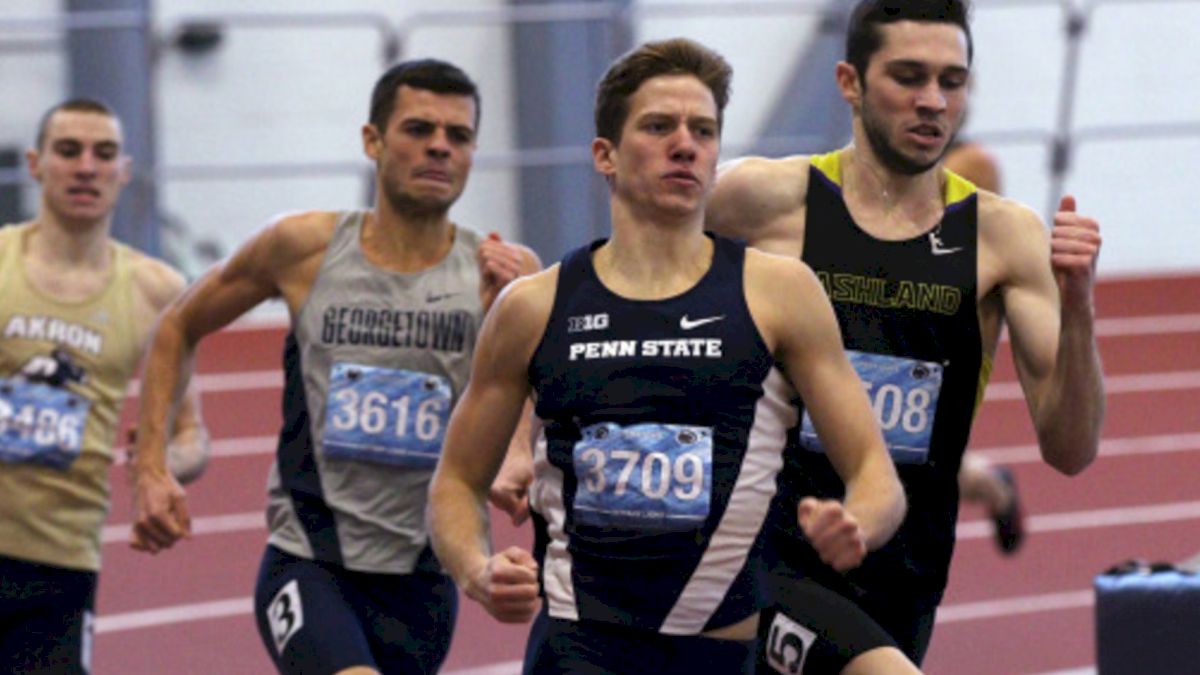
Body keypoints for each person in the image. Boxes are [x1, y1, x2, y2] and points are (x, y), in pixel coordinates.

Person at [428, 38, 917, 675]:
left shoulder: (780, 293)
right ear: (604, 154)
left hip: (717, 652)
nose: (684, 144)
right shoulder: (534, 306)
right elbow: (457, 481)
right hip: (579, 650)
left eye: (703, 130)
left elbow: (877, 475)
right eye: (659, 126)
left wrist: (856, 522)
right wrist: (477, 570)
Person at [707, 0, 1105, 669]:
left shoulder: (1004, 238)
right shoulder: (765, 200)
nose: (932, 101)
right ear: (850, 82)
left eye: (951, 81)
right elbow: (635, 267)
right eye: (908, 77)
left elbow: (1071, 448)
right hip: (769, 552)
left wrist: (1080, 305)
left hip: (907, 568)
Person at [127, 60, 539, 675]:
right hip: (310, 560)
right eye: (419, 128)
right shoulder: (303, 248)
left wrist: (515, 455)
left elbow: (534, 399)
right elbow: (178, 325)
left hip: (424, 576)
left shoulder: (506, 273)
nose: (438, 147)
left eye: (458, 136)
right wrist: (152, 466)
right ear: (372, 140)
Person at [0, 98, 209, 674]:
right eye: (69, 151)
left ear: (124, 170)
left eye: (104, 154)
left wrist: (160, 471)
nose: (86, 166)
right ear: (35, 164)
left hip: (62, 565)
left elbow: (191, 435)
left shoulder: (156, 291)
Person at [943, 139, 1026, 555]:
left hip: (941, 348)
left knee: (927, 465)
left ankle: (996, 490)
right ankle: (994, 484)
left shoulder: (972, 164)